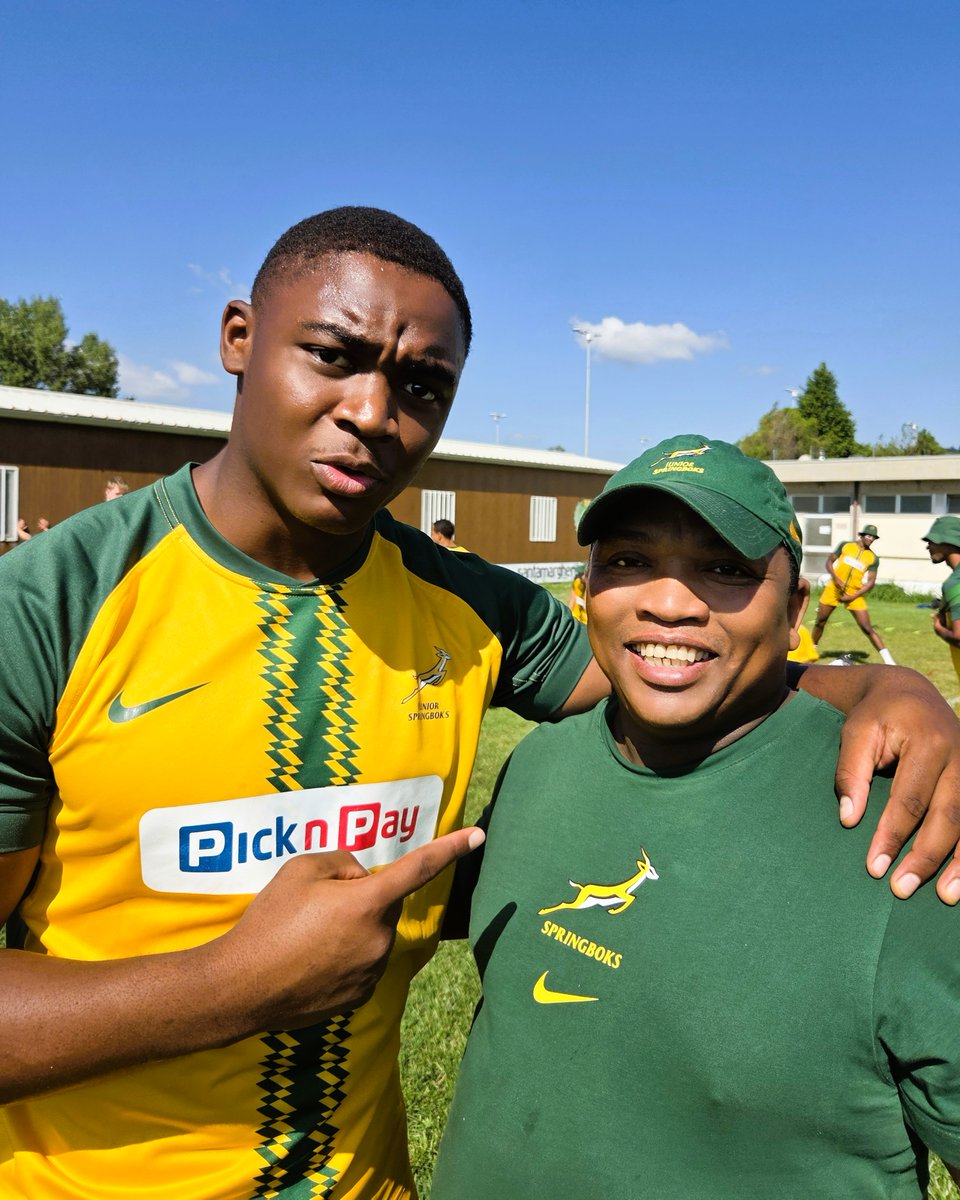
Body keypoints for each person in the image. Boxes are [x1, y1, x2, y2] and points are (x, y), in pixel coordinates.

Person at [0, 213, 957, 1200]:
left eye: (422, 386)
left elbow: (671, 665)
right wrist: (227, 989)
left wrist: (887, 686)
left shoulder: (469, 605)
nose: (373, 411)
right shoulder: (47, 610)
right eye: (333, 355)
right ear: (239, 338)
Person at [432, 436, 960, 1200]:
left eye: (724, 569)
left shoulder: (896, 831)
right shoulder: (538, 767)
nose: (669, 602)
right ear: (586, 587)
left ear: (795, 613)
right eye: (627, 561)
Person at [812, 523, 896, 663]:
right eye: (868, 536)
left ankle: (889, 661)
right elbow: (829, 562)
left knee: (867, 627)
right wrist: (836, 578)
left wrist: (853, 596)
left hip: (854, 594)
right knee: (820, 622)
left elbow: (870, 582)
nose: (871, 539)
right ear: (862, 535)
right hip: (833, 589)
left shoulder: (873, 558)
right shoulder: (845, 545)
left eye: (873, 537)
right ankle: (811, 651)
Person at [923, 515, 960, 688]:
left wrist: (939, 628)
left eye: (932, 541)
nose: (928, 546)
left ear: (948, 541)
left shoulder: (956, 582)